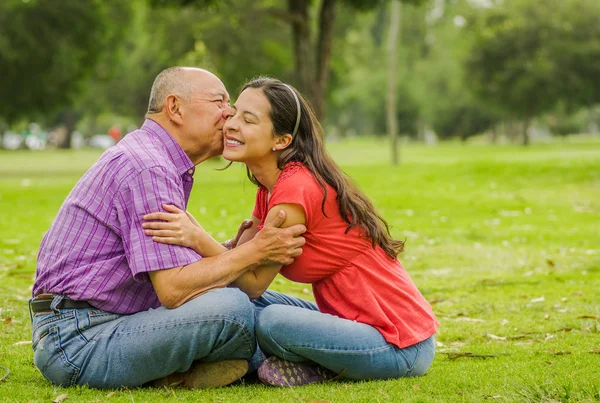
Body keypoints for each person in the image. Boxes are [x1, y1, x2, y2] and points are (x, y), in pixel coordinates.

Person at [142, 77, 439, 387]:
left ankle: (301, 366)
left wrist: (198, 238)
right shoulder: (270, 188)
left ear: (281, 140)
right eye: (234, 113)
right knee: (233, 298)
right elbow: (241, 263)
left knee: (272, 321)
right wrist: (218, 246)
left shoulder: (296, 188)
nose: (231, 124)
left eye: (249, 119)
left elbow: (253, 282)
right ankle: (268, 364)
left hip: (398, 343)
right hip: (353, 326)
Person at [29, 68, 307, 389]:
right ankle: (297, 360)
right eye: (220, 101)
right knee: (231, 308)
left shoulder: (159, 159)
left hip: (104, 323)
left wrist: (224, 250)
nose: (229, 113)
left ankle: (340, 338)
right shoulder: (148, 166)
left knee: (274, 305)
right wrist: (254, 251)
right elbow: (174, 290)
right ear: (175, 108)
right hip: (79, 340)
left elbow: (170, 264)